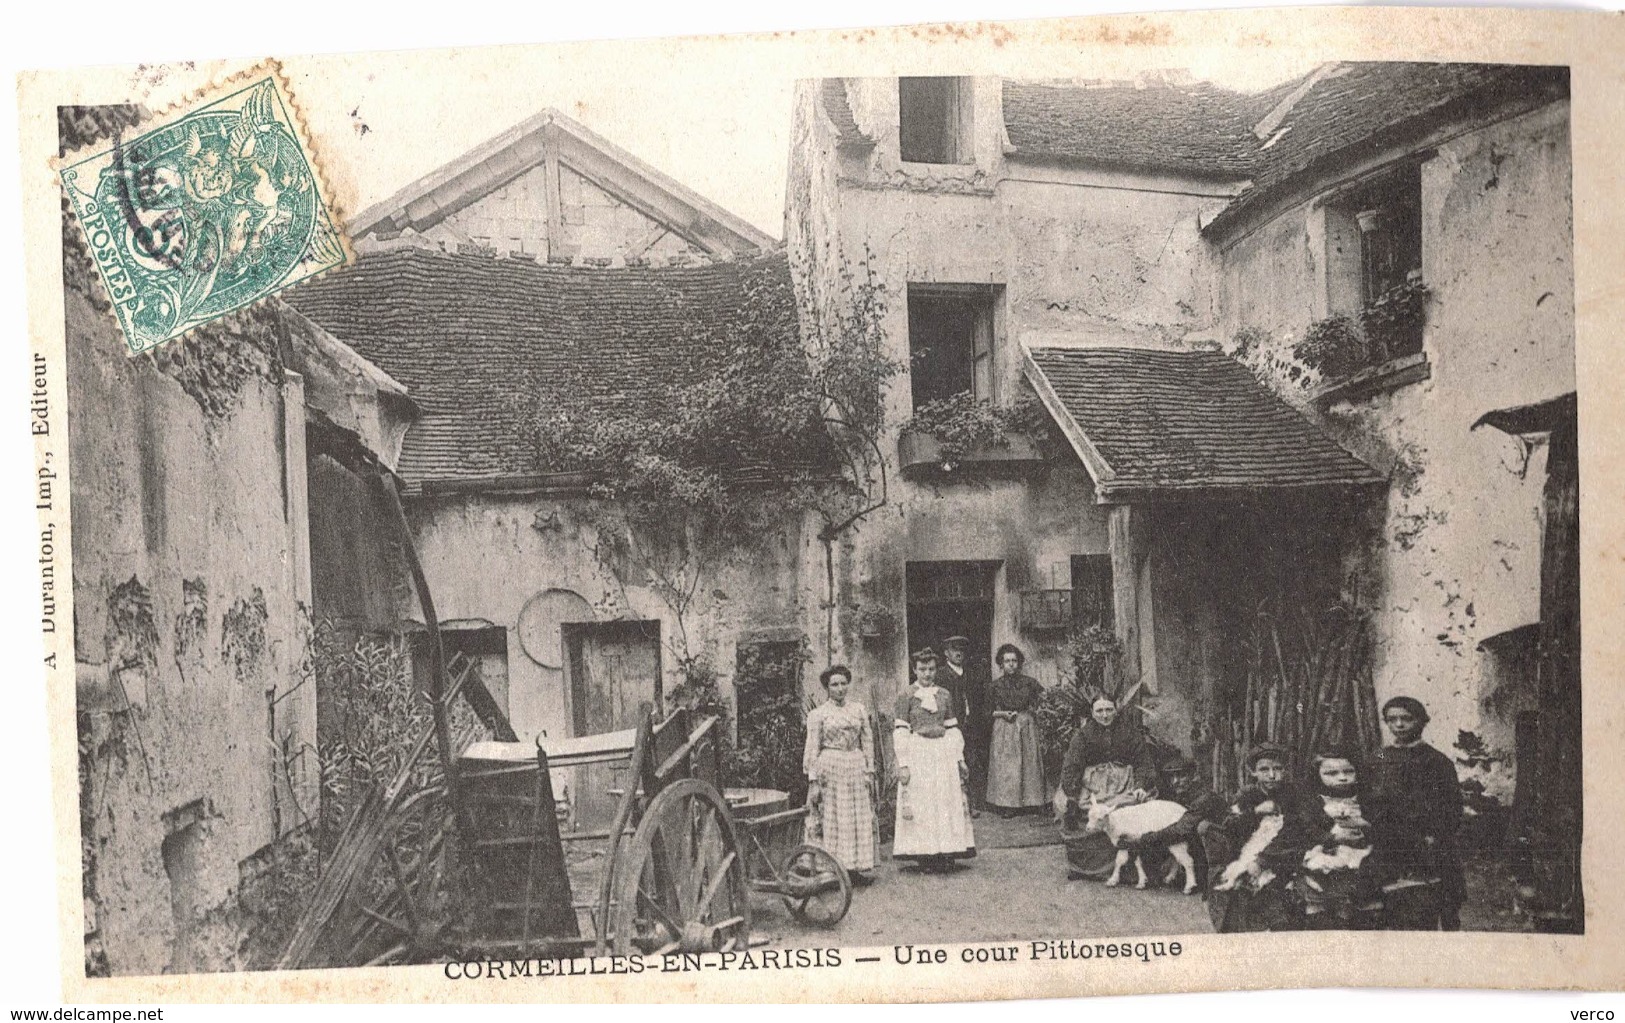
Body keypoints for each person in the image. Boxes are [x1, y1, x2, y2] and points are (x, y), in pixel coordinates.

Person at [1368, 696, 1466, 930]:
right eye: (1392, 720)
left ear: (1421, 722)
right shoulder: (1380, 758)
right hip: (1389, 841)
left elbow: (1451, 807)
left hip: (1427, 844)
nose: (1399, 725)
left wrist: (1434, 835)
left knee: (1425, 906)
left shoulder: (1436, 761)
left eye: (1406, 719)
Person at [1205, 742, 1308, 932]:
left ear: (1285, 770)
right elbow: (1230, 827)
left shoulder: (1293, 794)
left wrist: (1264, 859)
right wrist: (1255, 812)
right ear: (1253, 772)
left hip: (1282, 854)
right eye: (1264, 769)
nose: (1271, 775)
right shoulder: (1247, 795)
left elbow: (1297, 830)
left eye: (1277, 768)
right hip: (1249, 852)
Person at [892, 648, 977, 872]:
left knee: (945, 800)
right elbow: (901, 730)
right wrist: (903, 763)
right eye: (922, 669)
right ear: (914, 670)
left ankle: (946, 851)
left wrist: (959, 759)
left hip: (943, 752)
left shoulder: (944, 694)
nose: (927, 674)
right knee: (924, 803)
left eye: (931, 669)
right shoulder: (906, 695)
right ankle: (925, 855)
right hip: (918, 751)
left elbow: (952, 728)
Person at [1059, 695, 1159, 880]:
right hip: (1092, 785)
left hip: (1124, 783)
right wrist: (1072, 793)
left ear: (1116, 710)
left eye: (1109, 710)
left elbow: (1143, 761)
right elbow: (1072, 765)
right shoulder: (1082, 736)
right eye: (1099, 710)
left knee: (1133, 806)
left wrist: (1141, 784)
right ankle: (1089, 868)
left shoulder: (1129, 733)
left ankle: (1131, 868)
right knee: (1085, 810)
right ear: (1092, 712)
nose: (1105, 715)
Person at [1293, 746, 1383, 929]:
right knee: (1319, 891)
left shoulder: (1366, 800)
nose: (1342, 777)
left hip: (1360, 853)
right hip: (1327, 853)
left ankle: (1348, 918)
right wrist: (1332, 837)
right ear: (1317, 774)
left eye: (1348, 771)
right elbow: (1307, 829)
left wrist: (1364, 826)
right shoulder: (1313, 803)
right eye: (1331, 773)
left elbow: (1380, 828)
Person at [803, 664, 877, 878]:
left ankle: (854, 867)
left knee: (856, 816)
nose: (840, 688)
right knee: (833, 817)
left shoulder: (858, 710)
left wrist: (869, 769)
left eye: (844, 683)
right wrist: (813, 779)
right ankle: (831, 868)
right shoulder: (818, 714)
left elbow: (867, 740)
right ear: (827, 687)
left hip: (855, 765)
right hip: (831, 767)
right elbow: (812, 747)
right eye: (834, 684)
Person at [1122, 754, 1229, 887]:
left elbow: (1181, 830)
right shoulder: (1181, 794)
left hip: (1217, 849)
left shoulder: (1204, 797)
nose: (1175, 781)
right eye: (1172, 777)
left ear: (1194, 776)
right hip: (1193, 845)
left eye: (1181, 776)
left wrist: (1143, 838)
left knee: (1200, 827)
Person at [984, 644, 1047, 815]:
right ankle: (1008, 805)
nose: (1011, 664)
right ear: (1001, 664)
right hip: (1004, 726)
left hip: (1026, 725)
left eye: (1014, 661)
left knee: (1029, 762)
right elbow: (987, 712)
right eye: (1007, 661)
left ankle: (1032, 802)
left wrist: (1033, 713)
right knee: (1007, 765)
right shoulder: (994, 686)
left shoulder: (1030, 683)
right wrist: (1003, 714)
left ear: (1018, 663)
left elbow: (1044, 702)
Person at [940, 636, 990, 815]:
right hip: (951, 726)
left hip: (971, 725)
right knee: (952, 764)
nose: (958, 652)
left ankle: (973, 804)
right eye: (954, 649)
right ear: (946, 653)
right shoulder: (940, 675)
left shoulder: (971, 673)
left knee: (973, 762)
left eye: (961, 649)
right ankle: (954, 806)